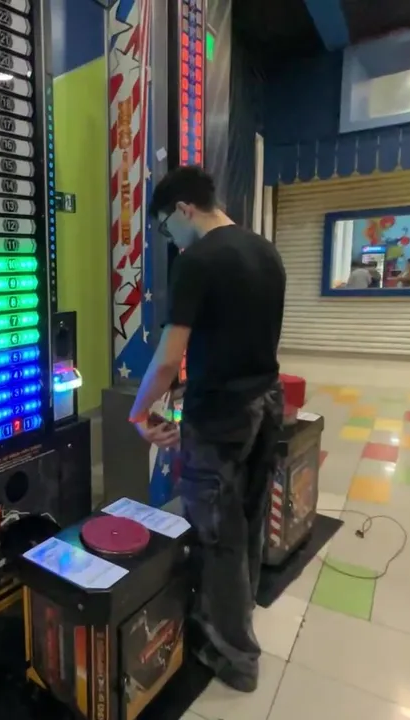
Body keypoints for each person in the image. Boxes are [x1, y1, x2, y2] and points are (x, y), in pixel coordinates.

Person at [128, 166, 286, 693]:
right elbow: (236, 341)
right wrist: (186, 406)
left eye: (165, 227)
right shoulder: (265, 252)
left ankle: (234, 656)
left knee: (217, 535)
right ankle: (233, 617)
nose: (169, 239)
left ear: (183, 209)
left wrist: (139, 413)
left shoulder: (198, 261)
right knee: (248, 519)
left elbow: (168, 358)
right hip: (266, 402)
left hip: (222, 417)